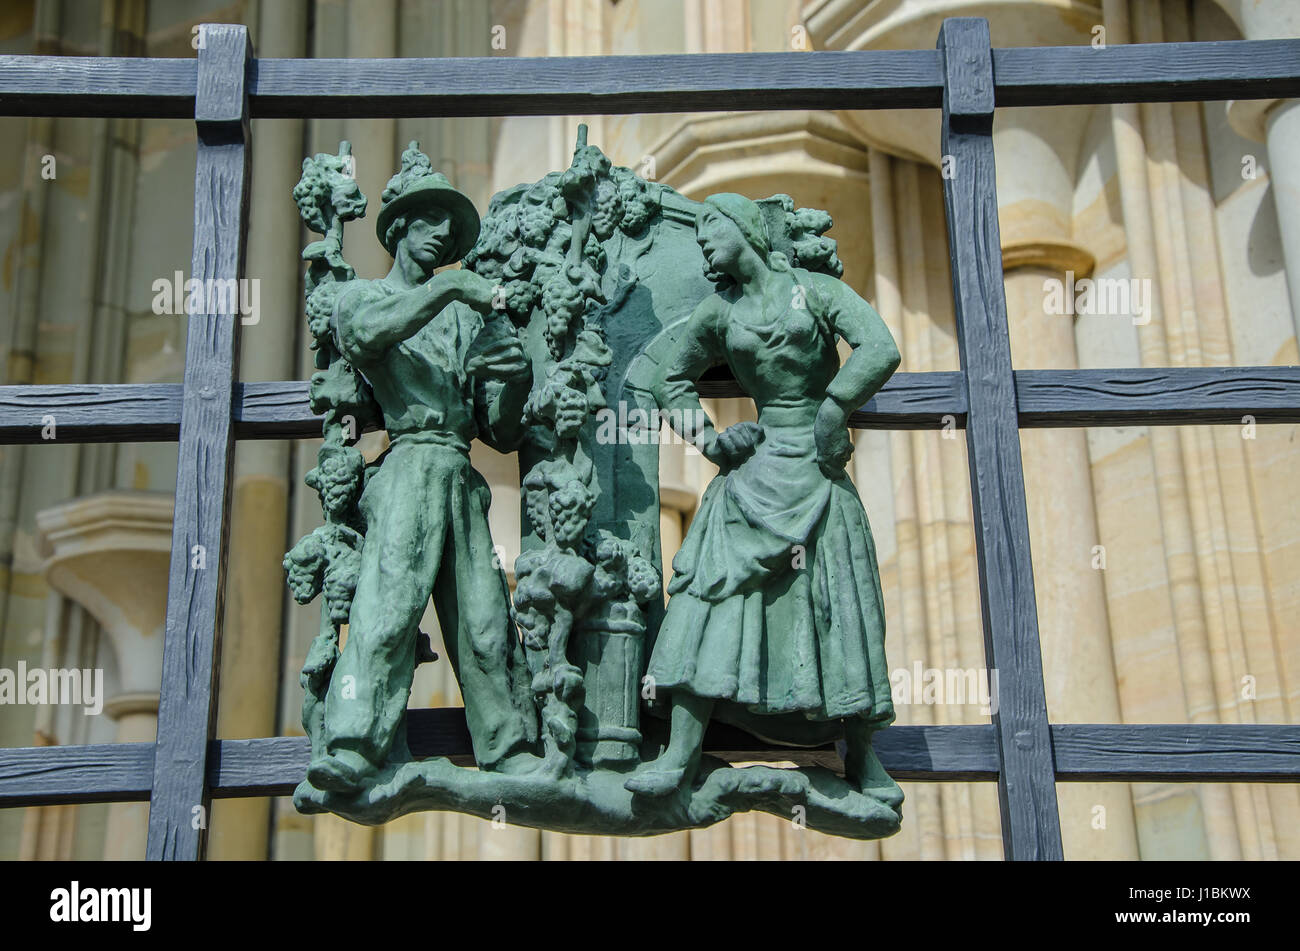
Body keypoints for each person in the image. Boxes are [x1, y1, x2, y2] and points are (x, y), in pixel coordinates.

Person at [624, 193, 903, 808]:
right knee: (708, 594)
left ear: (745, 228)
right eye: (697, 230)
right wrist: (712, 442)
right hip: (754, 466)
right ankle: (680, 751)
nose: (703, 239)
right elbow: (670, 379)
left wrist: (834, 408)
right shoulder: (720, 312)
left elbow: (880, 347)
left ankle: (863, 750)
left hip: (819, 464)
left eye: (712, 226)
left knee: (840, 600)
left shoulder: (812, 291)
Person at [306, 144, 537, 793]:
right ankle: (354, 742)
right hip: (406, 468)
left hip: (459, 477)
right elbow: (365, 337)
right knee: (386, 611)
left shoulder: (464, 313)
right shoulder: (364, 298)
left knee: (487, 622)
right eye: (431, 220)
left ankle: (510, 742)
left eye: (449, 224)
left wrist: (513, 381)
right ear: (401, 228)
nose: (443, 233)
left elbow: (501, 429)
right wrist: (449, 288)